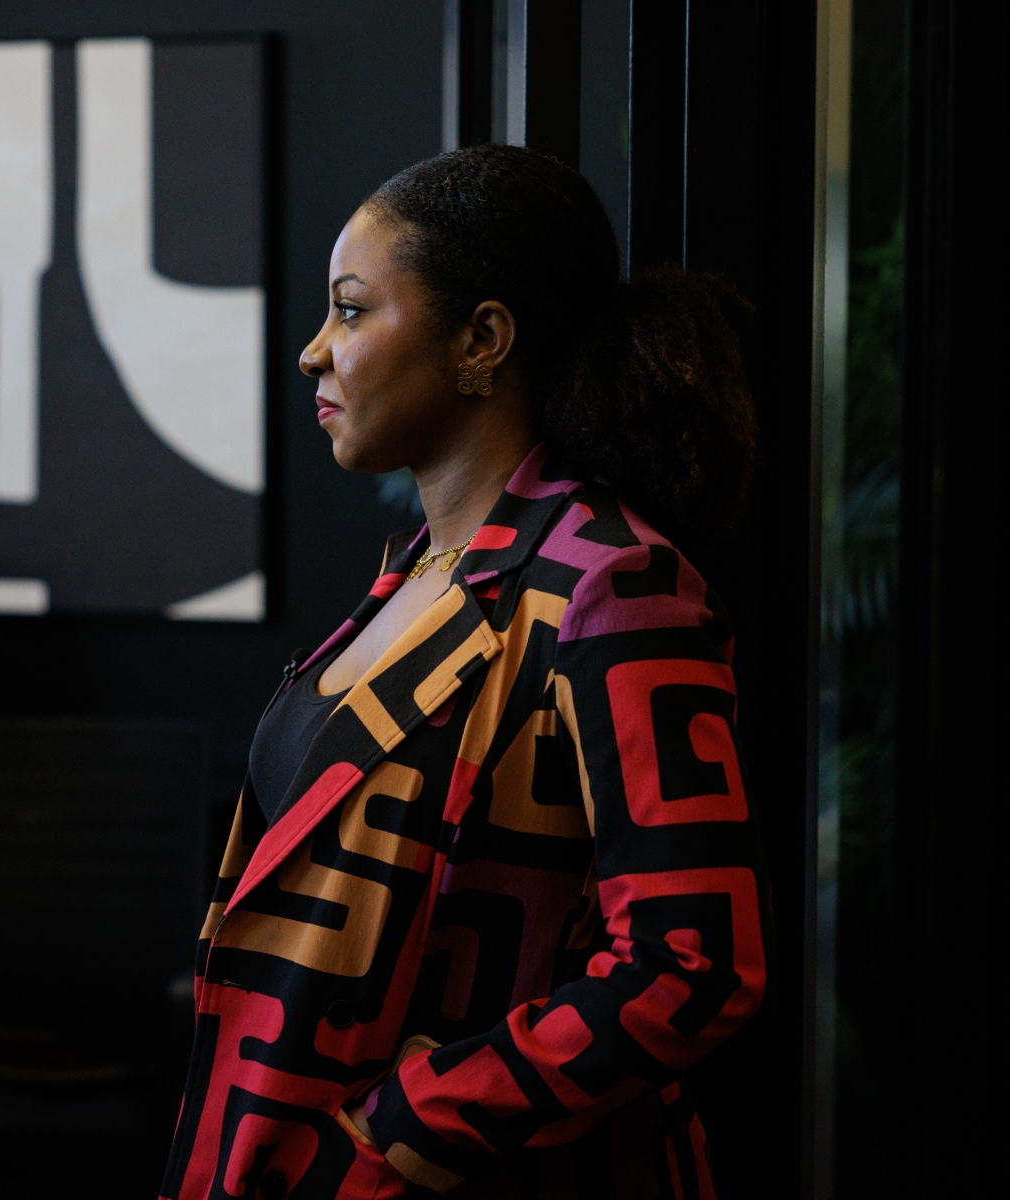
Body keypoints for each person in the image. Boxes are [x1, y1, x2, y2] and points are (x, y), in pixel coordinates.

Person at [159, 145, 767, 1200]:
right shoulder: (414, 572)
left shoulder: (612, 582)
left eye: (351, 309)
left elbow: (694, 964)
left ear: (482, 339)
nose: (313, 351)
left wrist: (390, 1134)